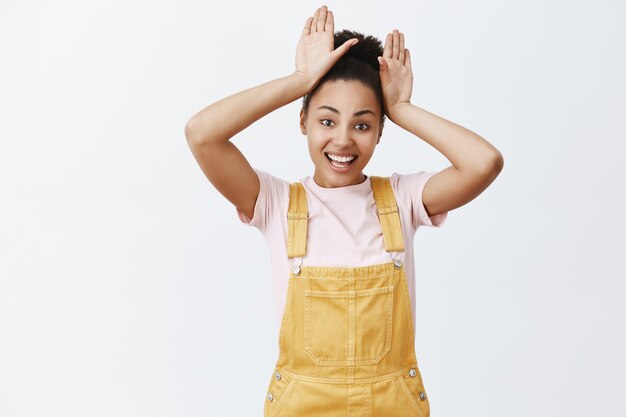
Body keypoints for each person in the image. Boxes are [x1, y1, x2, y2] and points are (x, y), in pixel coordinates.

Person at [184, 5, 503, 417]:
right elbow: (202, 134)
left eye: (363, 125)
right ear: (303, 121)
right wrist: (299, 81)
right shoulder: (275, 203)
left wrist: (401, 108)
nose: (343, 141)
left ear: (381, 131)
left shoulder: (403, 199)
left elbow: (484, 162)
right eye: (327, 121)